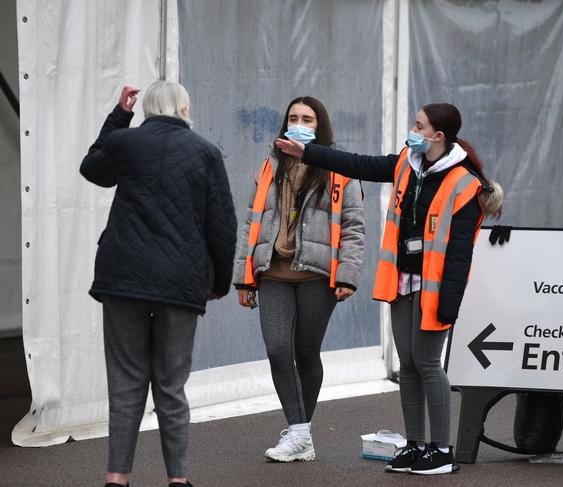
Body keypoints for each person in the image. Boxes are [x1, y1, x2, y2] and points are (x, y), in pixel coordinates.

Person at [276, 102, 503, 475]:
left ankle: (441, 451)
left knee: (428, 363)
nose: (412, 130)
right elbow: (358, 164)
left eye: (419, 125)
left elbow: (460, 254)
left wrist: (449, 305)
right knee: (408, 366)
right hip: (402, 281)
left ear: (438, 136)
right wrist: (308, 151)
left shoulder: (464, 183)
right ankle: (415, 445)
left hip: (435, 289)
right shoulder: (406, 163)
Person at [80, 81, 237, 487]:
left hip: (123, 277)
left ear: (146, 109)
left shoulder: (127, 143)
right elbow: (222, 226)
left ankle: (117, 477)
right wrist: (218, 281)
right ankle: (178, 480)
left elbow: (92, 168)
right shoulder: (206, 152)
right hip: (180, 282)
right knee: (171, 385)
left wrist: (118, 116)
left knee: (126, 380)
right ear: (184, 108)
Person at [232, 96, 365, 462]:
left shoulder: (339, 170)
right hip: (272, 272)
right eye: (293, 117)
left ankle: (299, 432)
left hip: (317, 276)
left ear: (319, 126)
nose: (299, 122)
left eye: (307, 118)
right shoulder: (269, 166)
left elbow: (354, 227)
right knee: (277, 349)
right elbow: (251, 223)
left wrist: (348, 276)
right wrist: (244, 278)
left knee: (306, 351)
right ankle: (299, 431)